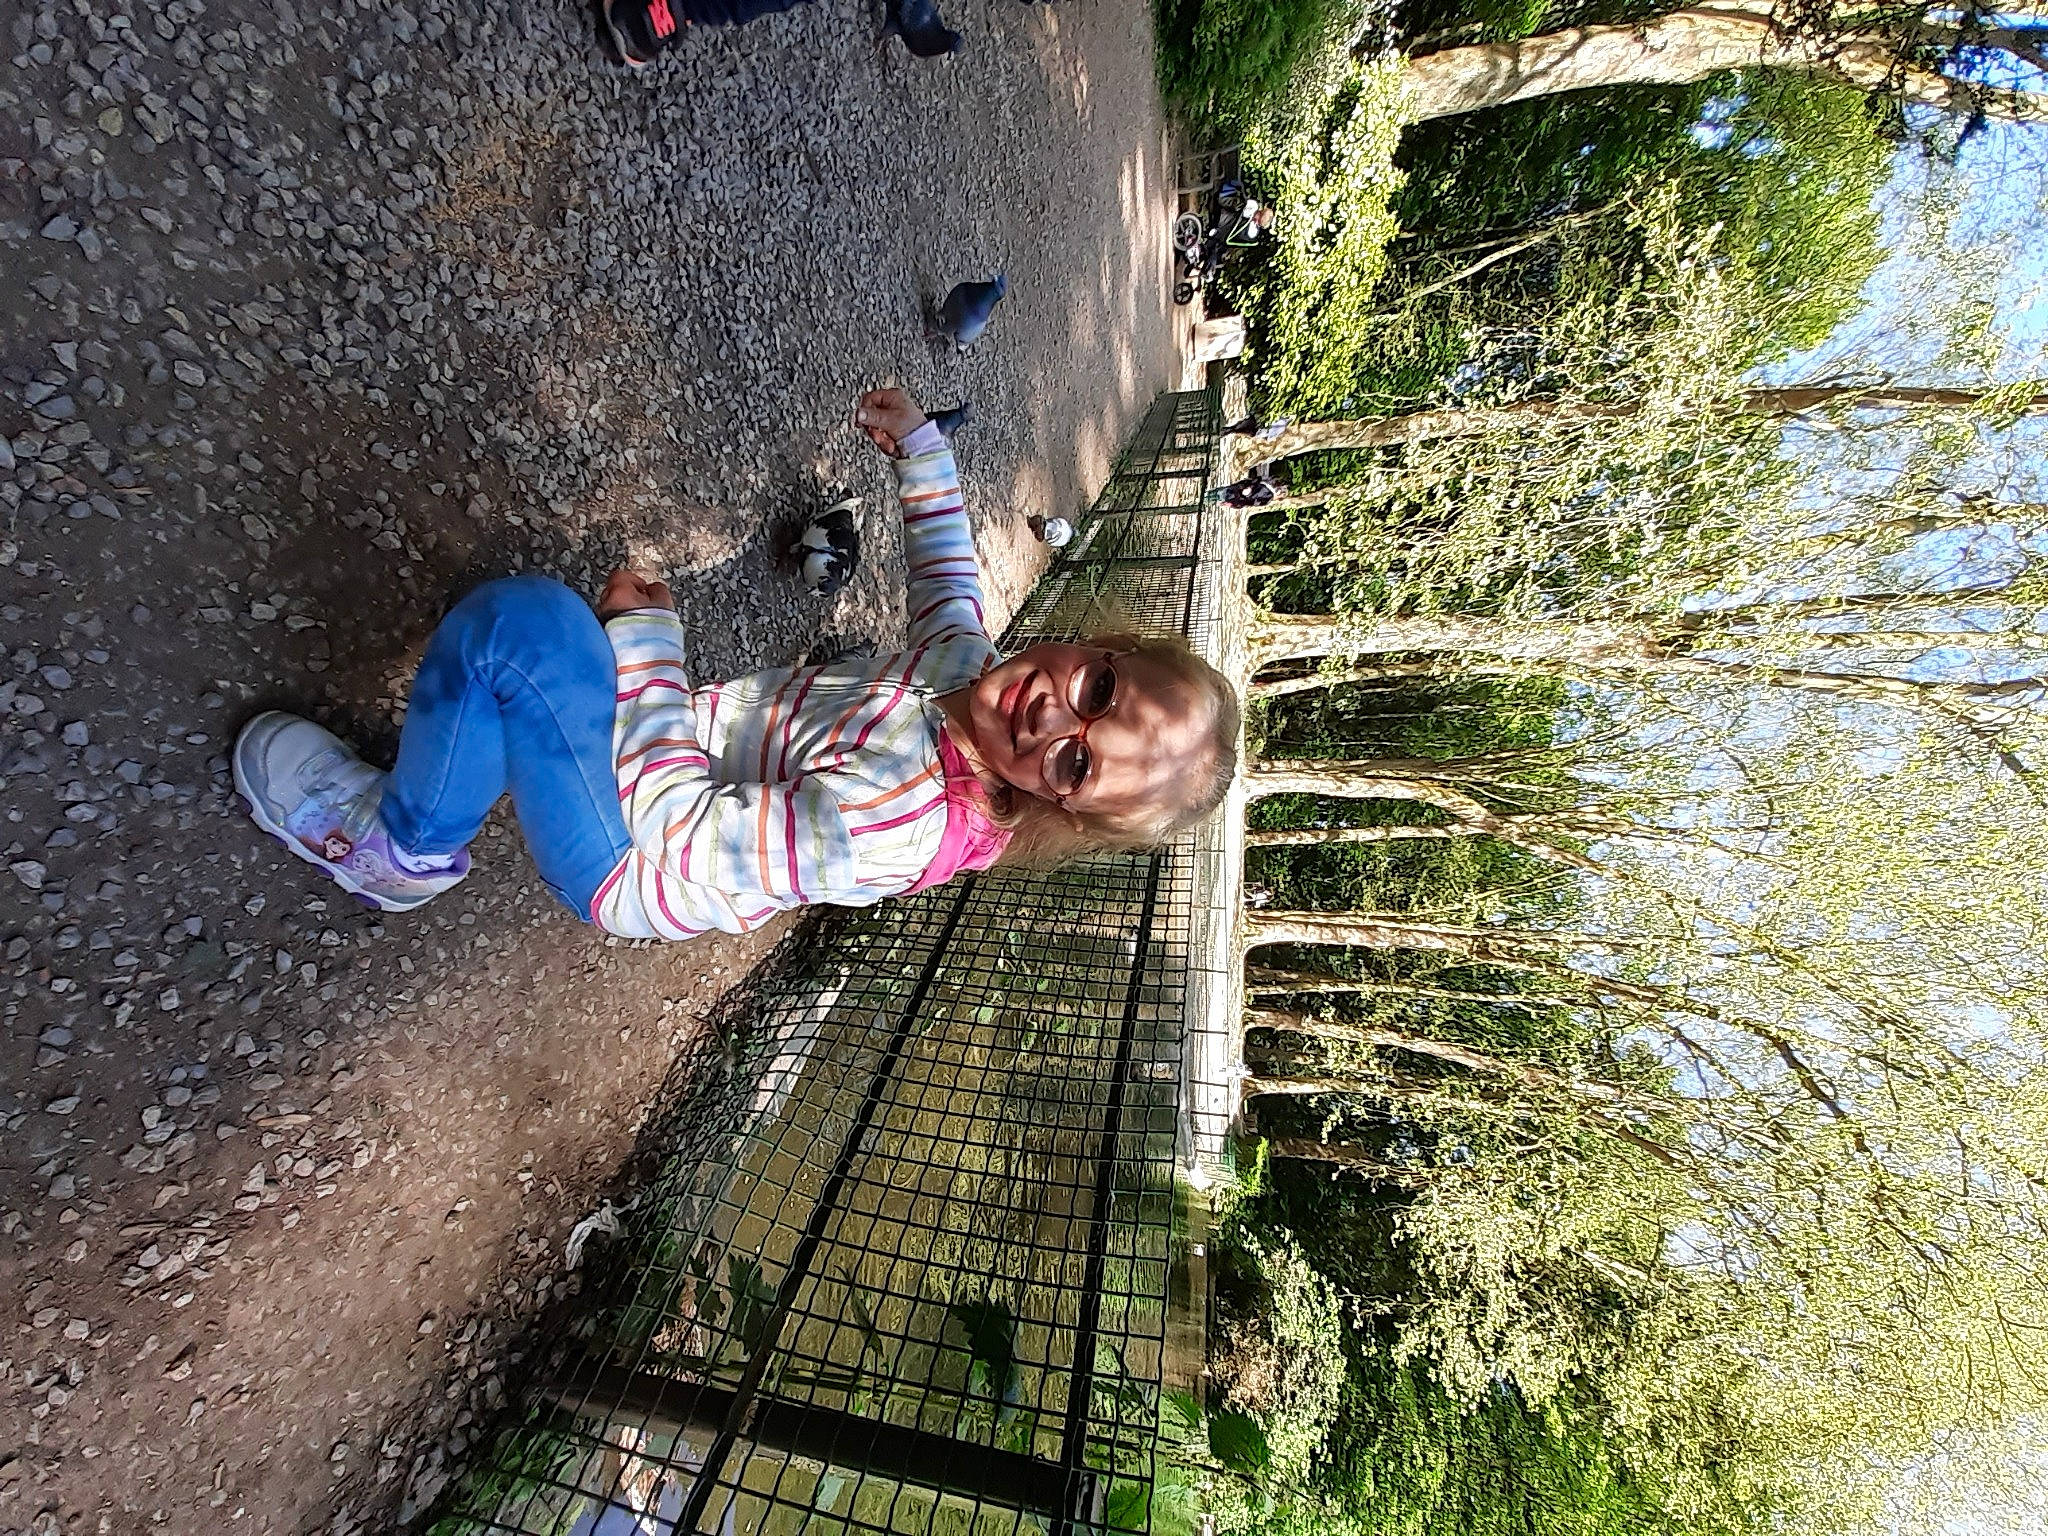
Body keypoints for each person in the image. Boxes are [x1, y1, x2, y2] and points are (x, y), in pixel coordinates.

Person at [232, 389, 1240, 940]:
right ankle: (470, 769)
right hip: (678, 777)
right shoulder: (965, 677)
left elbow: (677, 831)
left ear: (1057, 807)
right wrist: (926, 460)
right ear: (1096, 644)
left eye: (1076, 763)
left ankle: (396, 850)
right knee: (542, 666)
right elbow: (948, 586)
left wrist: (646, 658)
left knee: (523, 630)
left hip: (638, 856)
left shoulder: (892, 821)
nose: (1051, 722)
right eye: (1096, 691)